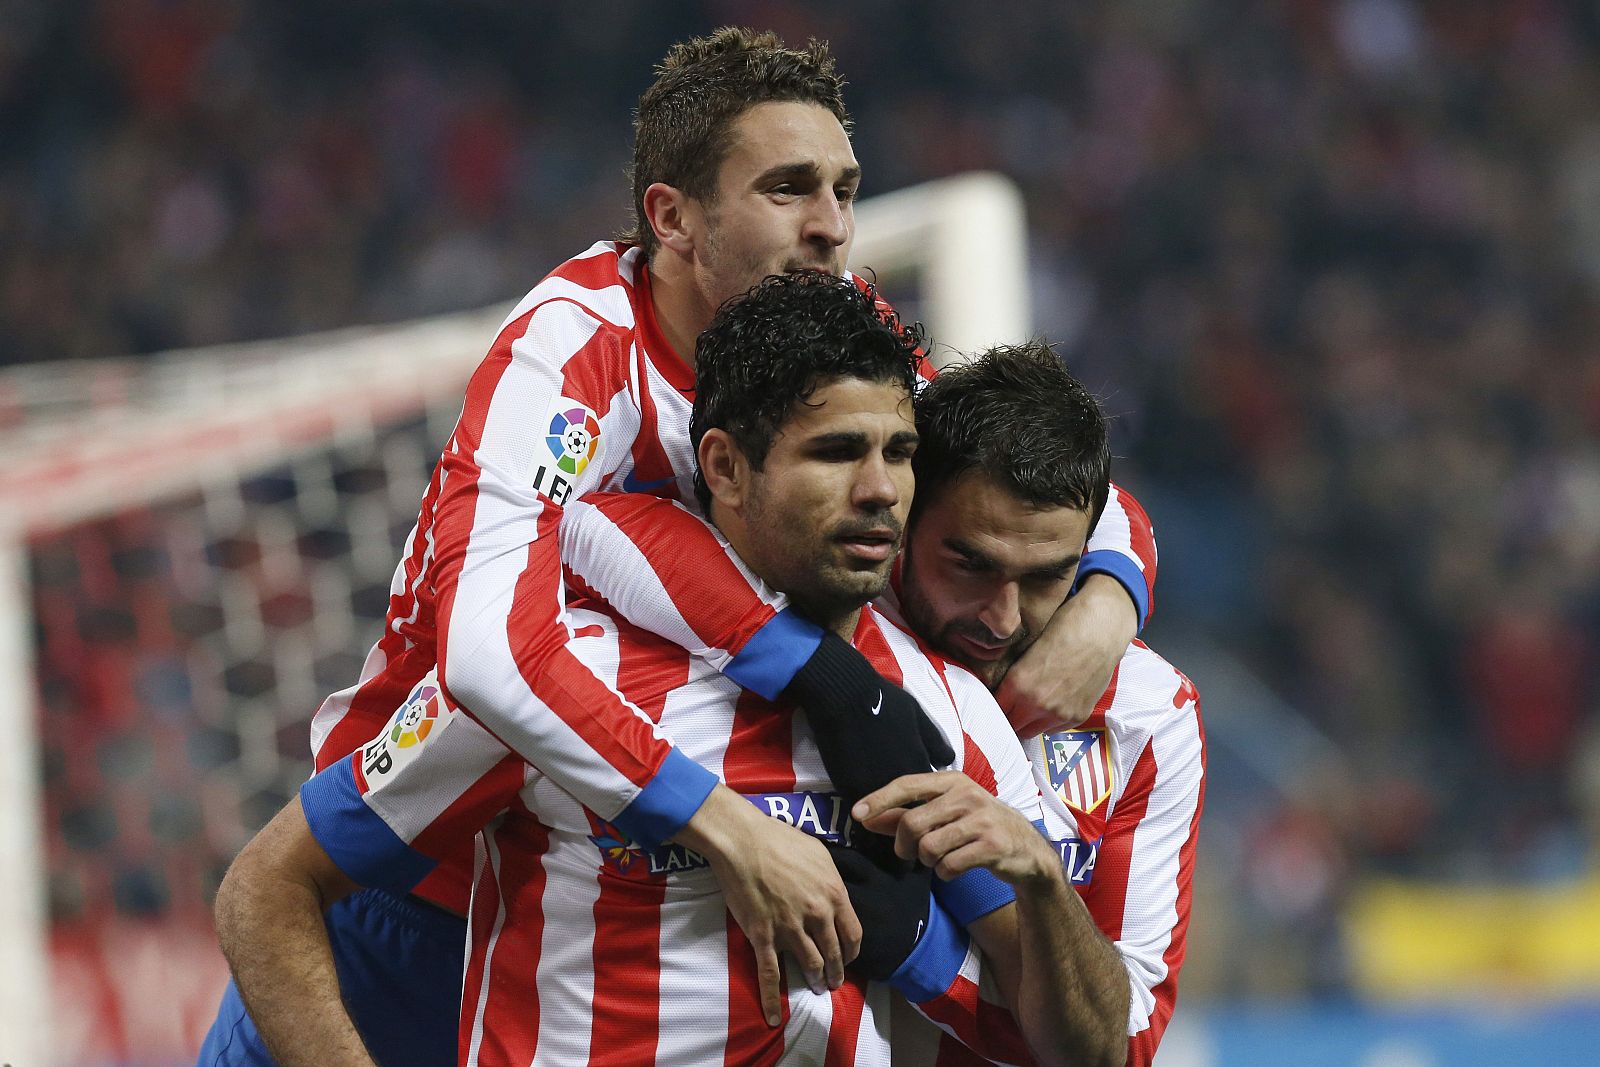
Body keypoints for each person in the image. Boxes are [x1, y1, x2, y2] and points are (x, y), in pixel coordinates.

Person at [201, 24, 1160, 1065]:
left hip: (649, 880)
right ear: (672, 217)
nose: (832, 227)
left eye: (843, 189)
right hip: (421, 872)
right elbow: (485, 652)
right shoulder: (574, 351)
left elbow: (1024, 474)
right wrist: (721, 817)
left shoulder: (833, 347)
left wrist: (1106, 601)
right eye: (788, 189)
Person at [214, 272, 1078, 1066]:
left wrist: (1024, 888)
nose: (881, 488)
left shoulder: (947, 713)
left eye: (900, 452)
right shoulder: (555, 680)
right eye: (836, 451)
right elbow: (266, 886)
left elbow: (1087, 1046)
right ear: (725, 468)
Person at [569, 344, 1204, 1066]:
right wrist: (827, 677)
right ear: (905, 511)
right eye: (968, 563)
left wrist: (927, 951)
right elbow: (592, 523)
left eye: (1045, 579)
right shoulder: (840, 602)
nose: (1000, 617)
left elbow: (1120, 1047)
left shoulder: (1148, 714)